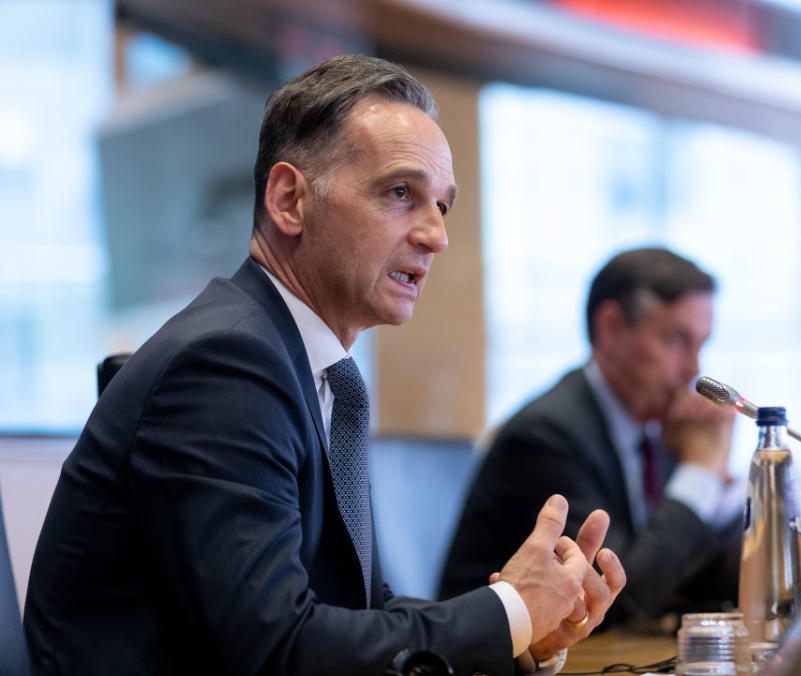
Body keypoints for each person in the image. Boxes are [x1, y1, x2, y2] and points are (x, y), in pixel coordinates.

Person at [23, 55, 625, 676]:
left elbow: (360, 610)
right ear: (289, 200)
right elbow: (276, 646)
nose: (435, 236)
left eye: (441, 206)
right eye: (400, 193)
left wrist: (527, 637)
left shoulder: (314, 370)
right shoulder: (225, 363)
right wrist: (508, 612)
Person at [440, 248, 742, 626]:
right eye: (676, 341)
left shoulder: (661, 433)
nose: (694, 371)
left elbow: (698, 575)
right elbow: (617, 601)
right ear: (611, 328)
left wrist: (721, 483)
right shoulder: (547, 436)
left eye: (701, 345)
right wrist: (701, 471)